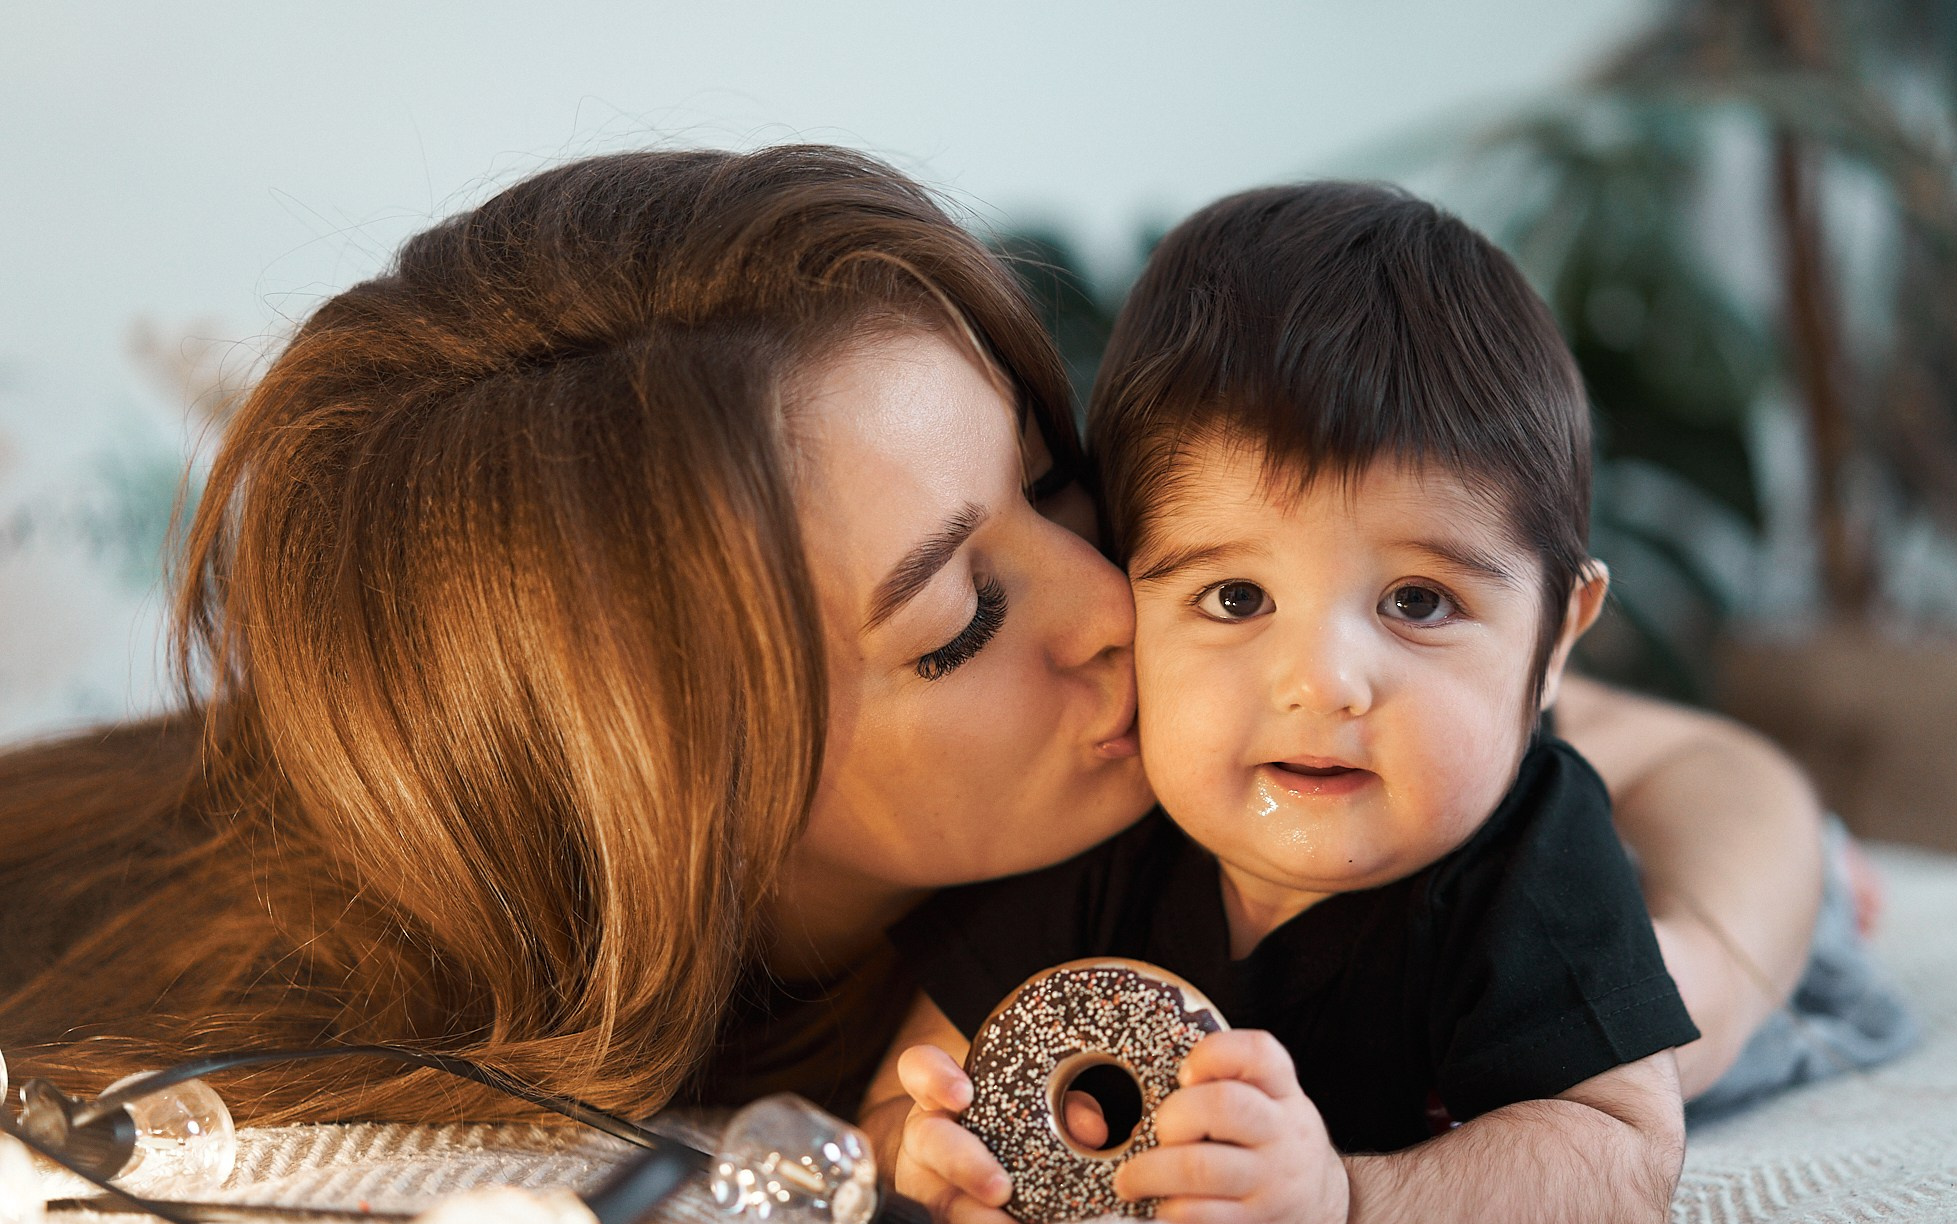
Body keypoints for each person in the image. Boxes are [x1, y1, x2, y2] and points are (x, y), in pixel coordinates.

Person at [0, 148, 1820, 1155]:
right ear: (673, 792)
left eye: (1056, 488)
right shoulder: (413, 1000)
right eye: (960, 623)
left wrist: (1659, 1007)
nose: (1117, 606)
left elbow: (1686, 766)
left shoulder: (1232, 726)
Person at [867, 183, 1706, 1224]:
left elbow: (1622, 1171)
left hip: (1626, 930)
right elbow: (900, 1101)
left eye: (1416, 602)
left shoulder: (1531, 851)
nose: (1320, 685)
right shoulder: (1096, 823)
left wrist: (1346, 1211)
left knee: (1764, 977)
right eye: (1233, 599)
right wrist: (934, 1168)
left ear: (1555, 639)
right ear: (1125, 599)